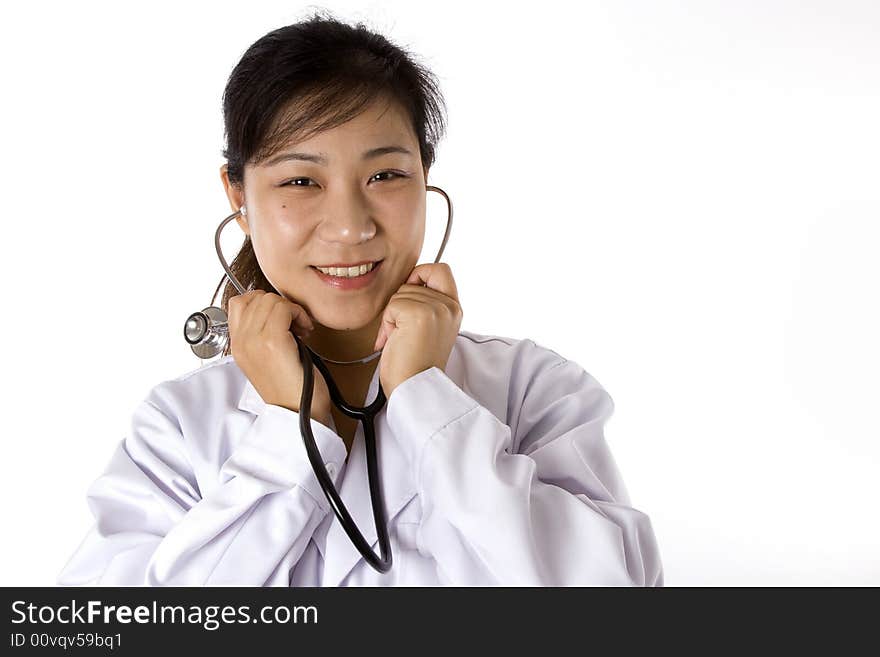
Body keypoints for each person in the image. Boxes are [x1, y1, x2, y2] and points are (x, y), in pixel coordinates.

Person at [56, 11, 664, 587]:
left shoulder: (532, 391)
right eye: (300, 180)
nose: (349, 226)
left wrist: (428, 402)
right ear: (238, 196)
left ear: (425, 176)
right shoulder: (180, 429)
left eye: (385, 175)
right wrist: (288, 438)